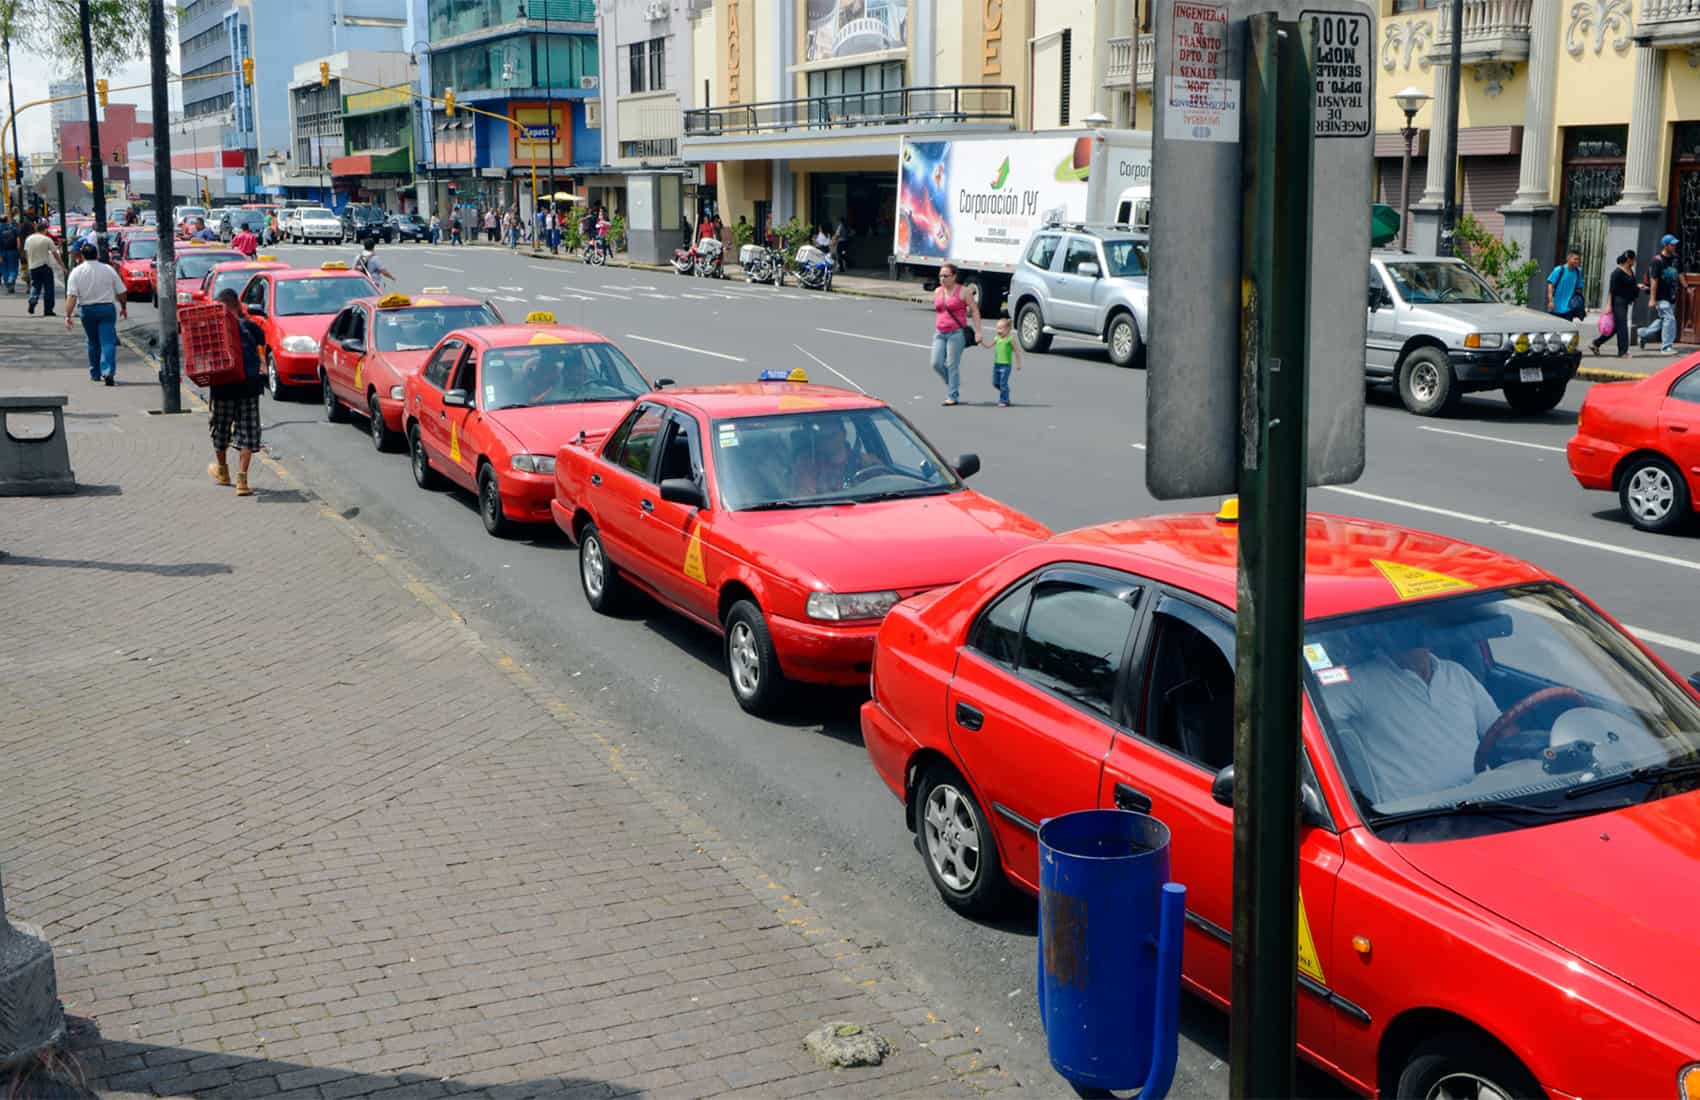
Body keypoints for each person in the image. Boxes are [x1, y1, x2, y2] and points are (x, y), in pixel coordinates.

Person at [1323, 622, 1501, 803]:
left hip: (1482, 800)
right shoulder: (1360, 682)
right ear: (1382, 637)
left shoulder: (1456, 673)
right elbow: (1307, 718)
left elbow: (1499, 731)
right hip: (1413, 817)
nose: (1409, 640)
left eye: (1417, 633)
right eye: (1400, 632)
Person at [209, 288, 266, 497]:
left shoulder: (214, 329)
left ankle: (223, 472)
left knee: (220, 429)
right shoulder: (249, 325)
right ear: (238, 305)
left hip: (222, 386)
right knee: (247, 432)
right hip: (249, 387)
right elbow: (262, 339)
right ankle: (242, 481)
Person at [64, 242, 127, 385]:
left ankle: (95, 373)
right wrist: (123, 307)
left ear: (82, 256)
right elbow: (122, 291)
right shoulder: (108, 269)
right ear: (97, 254)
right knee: (108, 341)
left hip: (87, 310)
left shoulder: (76, 271)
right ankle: (108, 371)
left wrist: (68, 315)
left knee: (93, 342)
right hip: (106, 309)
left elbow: (72, 296)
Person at [930, 262, 980, 406]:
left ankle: (953, 395)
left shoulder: (964, 291)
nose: (942, 278)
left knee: (952, 364)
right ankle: (953, 382)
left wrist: (978, 332)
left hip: (956, 333)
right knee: (936, 363)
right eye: (940, 276)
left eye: (946, 276)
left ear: (954, 276)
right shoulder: (938, 291)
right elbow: (940, 311)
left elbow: (975, 311)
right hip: (940, 332)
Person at [1591, 250, 1640, 358]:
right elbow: (1611, 290)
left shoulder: (1630, 271)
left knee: (1616, 328)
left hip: (1625, 302)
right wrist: (1609, 305)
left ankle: (1596, 343)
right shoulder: (1617, 273)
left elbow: (1631, 285)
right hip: (1617, 302)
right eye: (1634, 259)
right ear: (1629, 260)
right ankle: (1623, 352)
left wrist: (1638, 287)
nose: (1635, 261)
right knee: (1622, 326)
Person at [1639, 234, 1681, 354]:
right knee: (1669, 318)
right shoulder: (1656, 261)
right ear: (1666, 245)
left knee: (1663, 320)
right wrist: (1652, 299)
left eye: (1675, 244)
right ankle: (1666, 347)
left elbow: (1680, 273)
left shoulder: (1676, 259)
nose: (1674, 246)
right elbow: (1654, 280)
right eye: (1672, 244)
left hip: (1671, 295)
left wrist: (1686, 287)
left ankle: (1643, 333)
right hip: (1660, 296)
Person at [24, 219, 60, 316]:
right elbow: (55, 254)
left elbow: (27, 253)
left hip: (33, 266)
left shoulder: (29, 239)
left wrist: (29, 265)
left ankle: (33, 300)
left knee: (36, 285)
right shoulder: (47, 239)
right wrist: (63, 266)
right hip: (45, 266)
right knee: (48, 288)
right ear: (44, 230)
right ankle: (48, 309)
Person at [990, 314, 1021, 408]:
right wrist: (981, 341)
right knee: (995, 383)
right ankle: (1005, 391)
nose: (998, 331)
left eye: (1000, 329)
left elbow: (1017, 352)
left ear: (1007, 329)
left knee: (1003, 383)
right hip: (997, 365)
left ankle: (1004, 400)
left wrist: (1018, 363)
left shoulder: (1010, 339)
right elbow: (988, 345)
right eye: (997, 328)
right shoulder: (996, 338)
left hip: (1006, 365)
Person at [1546, 252, 1585, 321]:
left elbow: (1579, 289)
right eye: (1575, 259)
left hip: (1569, 309)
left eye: (1578, 259)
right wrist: (1550, 301)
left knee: (1566, 330)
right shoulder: (1559, 270)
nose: (1577, 261)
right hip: (1555, 307)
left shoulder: (1578, 272)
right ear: (1568, 258)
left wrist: (1578, 304)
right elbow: (1550, 286)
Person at [0, 215, 19, 294]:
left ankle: (7, 283)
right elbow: (18, 240)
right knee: (13, 267)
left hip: (1, 251)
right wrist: (18, 250)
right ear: (7, 220)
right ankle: (11, 279)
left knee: (4, 269)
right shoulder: (13, 228)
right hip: (13, 251)